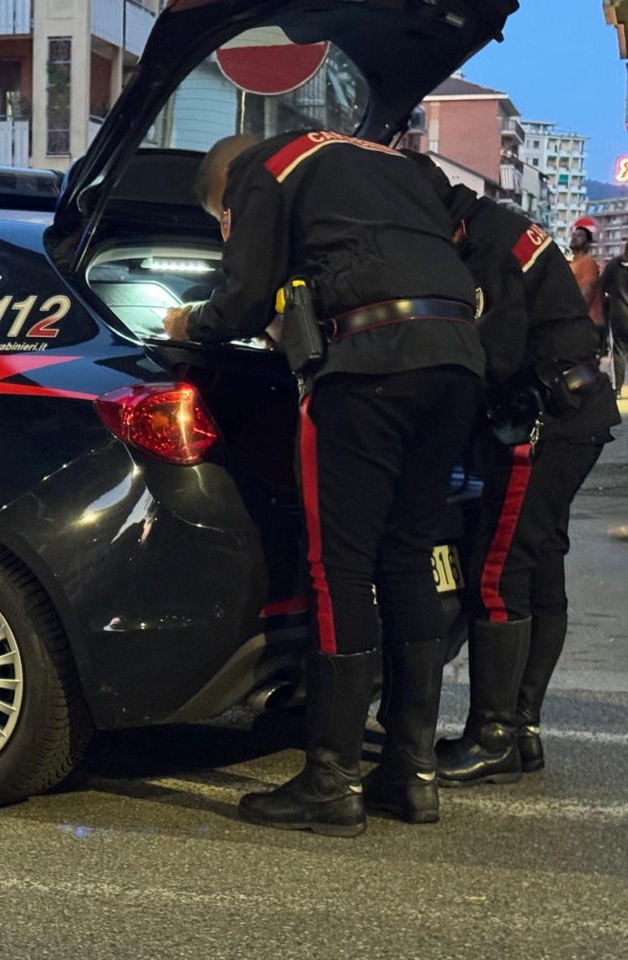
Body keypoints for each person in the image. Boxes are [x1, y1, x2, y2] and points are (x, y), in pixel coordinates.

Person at [163, 132, 484, 836]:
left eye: (222, 218)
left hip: (370, 368)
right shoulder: (387, 164)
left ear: (225, 188)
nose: (227, 226)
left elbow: (244, 299)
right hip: (457, 358)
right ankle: (411, 773)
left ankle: (332, 782)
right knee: (408, 557)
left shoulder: (264, 167)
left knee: (339, 566)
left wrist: (190, 320)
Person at [405, 155, 620, 785]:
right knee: (538, 561)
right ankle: (521, 731)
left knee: (497, 573)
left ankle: (493, 735)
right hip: (574, 410)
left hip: (538, 419)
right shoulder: (497, 226)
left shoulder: (486, 249)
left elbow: (491, 355)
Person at [569, 217, 607, 354]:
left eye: (580, 236)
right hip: (579, 323)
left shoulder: (587, 262)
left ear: (588, 243)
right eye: (574, 234)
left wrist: (572, 320)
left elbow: (586, 294)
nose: (574, 237)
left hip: (587, 323)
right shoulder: (574, 263)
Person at [601, 242, 628, 398]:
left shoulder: (614, 264)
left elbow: (603, 285)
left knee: (619, 350)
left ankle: (617, 388)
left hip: (619, 315)